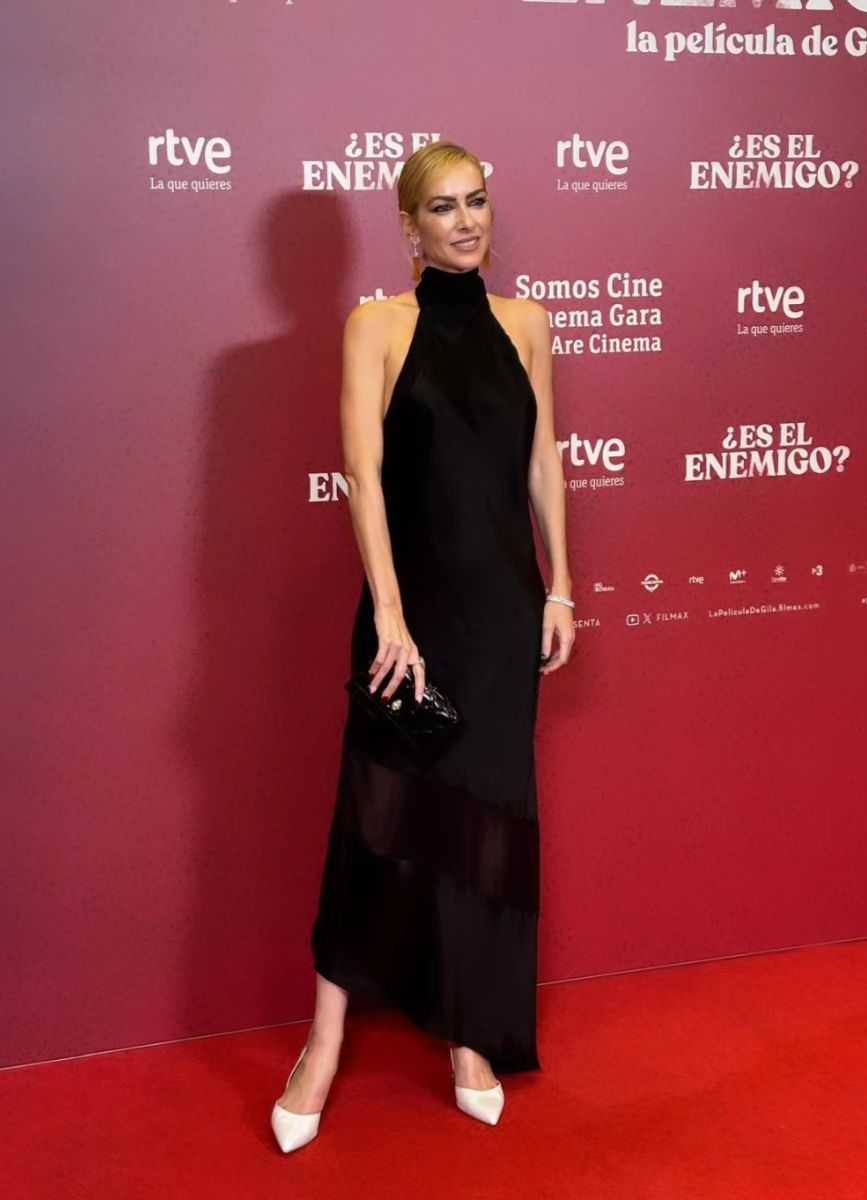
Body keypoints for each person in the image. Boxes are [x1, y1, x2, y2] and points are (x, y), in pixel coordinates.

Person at [271, 141, 574, 1153]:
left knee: (485, 825)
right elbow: (363, 474)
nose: (466, 221)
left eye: (476, 201)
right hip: (410, 617)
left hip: (502, 615)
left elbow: (542, 460)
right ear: (408, 227)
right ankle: (321, 1047)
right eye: (442, 207)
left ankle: (469, 1036)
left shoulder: (528, 324)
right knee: (376, 819)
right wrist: (391, 617)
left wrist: (561, 586)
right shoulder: (376, 327)